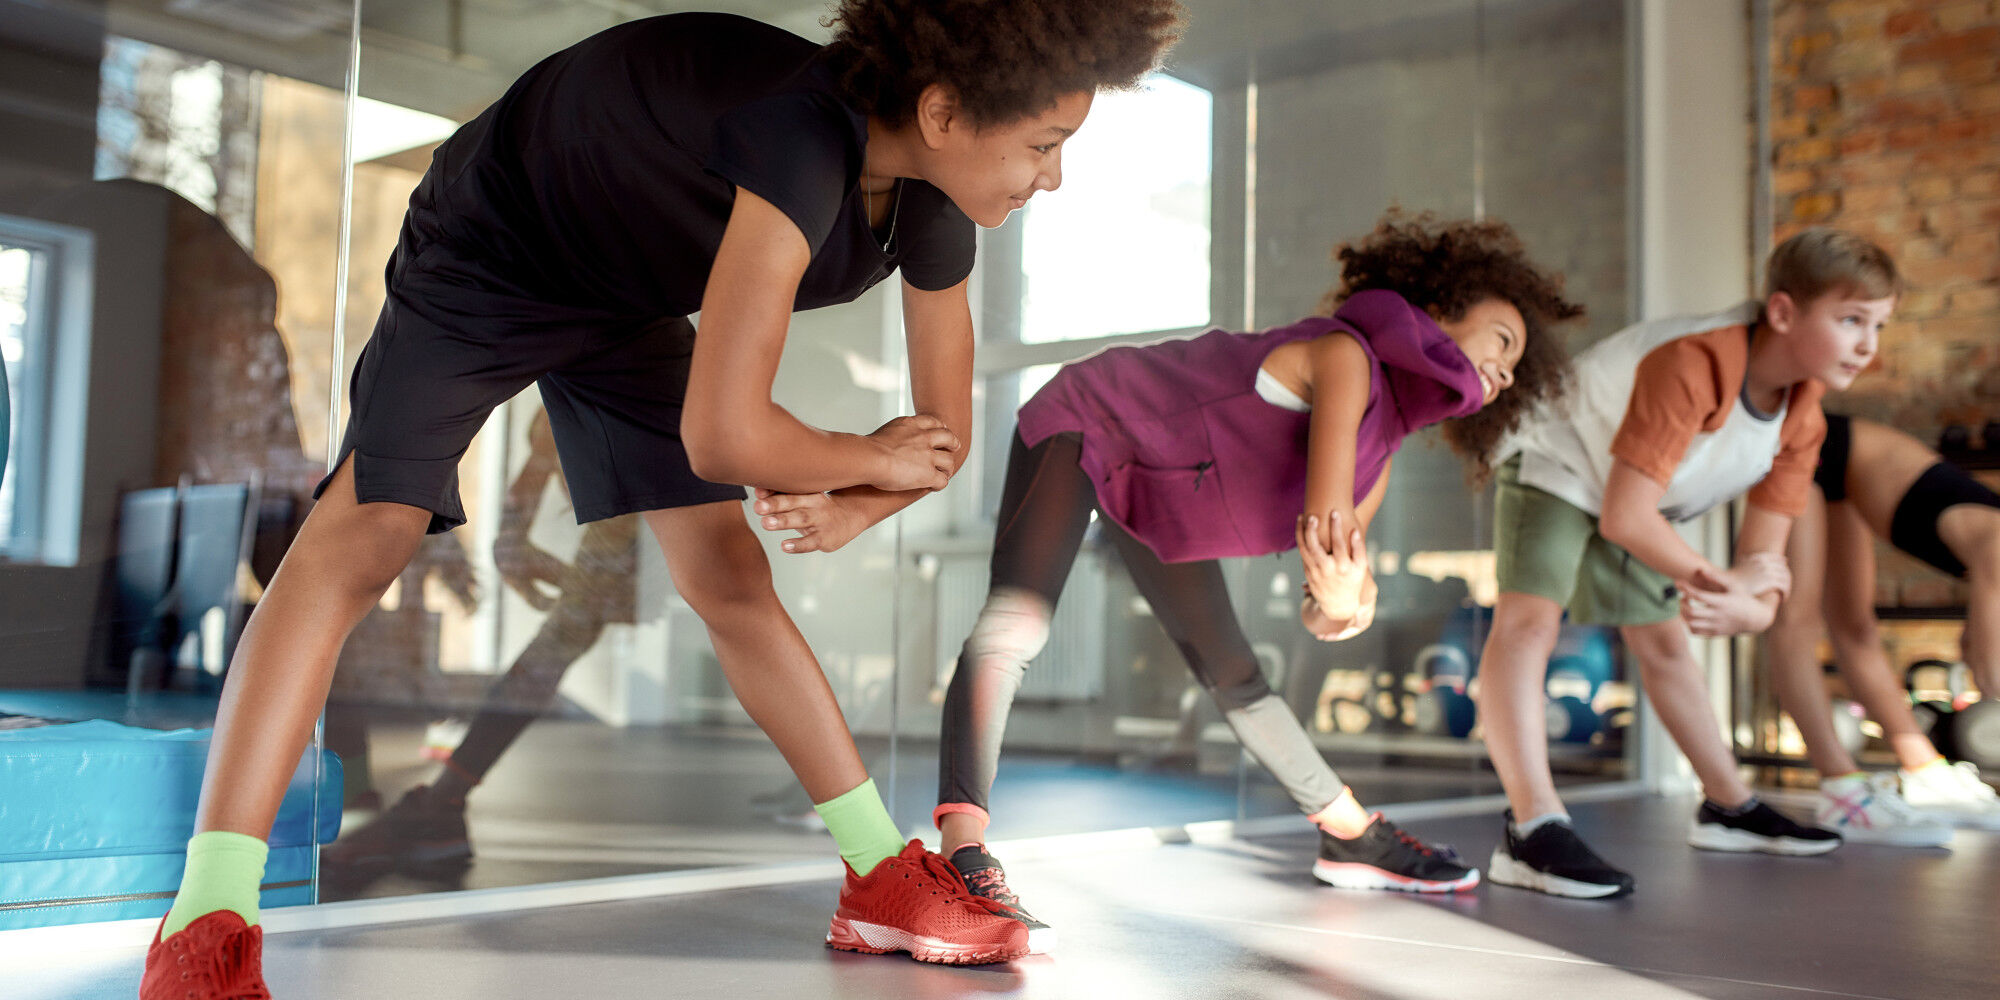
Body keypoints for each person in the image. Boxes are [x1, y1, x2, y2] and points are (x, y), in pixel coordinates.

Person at [141, 4, 1186, 994]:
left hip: (620, 293)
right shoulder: (798, 135)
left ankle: (876, 873)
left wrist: (859, 497)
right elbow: (726, 432)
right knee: (369, 532)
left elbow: (936, 441)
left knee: (729, 570)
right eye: (1044, 144)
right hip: (494, 245)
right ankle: (205, 916)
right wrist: (853, 455)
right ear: (944, 113)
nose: (1052, 179)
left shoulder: (937, 208)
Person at [855, 212, 1582, 949]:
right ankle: (962, 849)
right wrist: (1339, 591)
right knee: (1019, 622)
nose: (1508, 370)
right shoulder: (1346, 358)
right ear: (1438, 314)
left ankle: (1350, 834)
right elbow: (1325, 531)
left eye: (1517, 364)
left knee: (1234, 670)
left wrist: (1340, 611)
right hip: (1092, 419)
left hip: (1165, 492)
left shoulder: (1382, 452)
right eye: (1503, 341)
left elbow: (1324, 607)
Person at [1477, 227, 1899, 899]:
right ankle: (1533, 830)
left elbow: (1764, 561)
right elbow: (1626, 518)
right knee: (1529, 625)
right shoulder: (1695, 363)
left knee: (1666, 642)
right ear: (1784, 312)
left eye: (1878, 324)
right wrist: (1726, 586)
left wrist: (1749, 606)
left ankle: (1728, 806)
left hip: (1633, 495)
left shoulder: (1804, 416)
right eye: (1851, 321)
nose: (1869, 344)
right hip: (1559, 462)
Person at [318, 407, 644, 886]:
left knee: (563, 640)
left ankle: (440, 804)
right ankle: (441, 803)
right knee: (558, 644)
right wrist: (512, 541)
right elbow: (527, 488)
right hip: (637, 501)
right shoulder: (560, 412)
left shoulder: (625, 413)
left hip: (669, 497)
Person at [1765, 413, 2000, 842]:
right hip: (1816, 444)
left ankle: (1927, 773)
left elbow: (1976, 648)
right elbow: (1987, 670)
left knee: (1856, 629)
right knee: (1796, 618)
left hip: (1846, 476)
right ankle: (1841, 790)